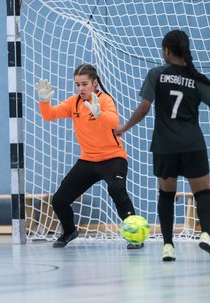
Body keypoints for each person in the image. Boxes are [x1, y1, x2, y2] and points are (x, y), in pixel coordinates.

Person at [114, 30, 210, 261]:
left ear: (166, 51)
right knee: (204, 192)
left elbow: (144, 108)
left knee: (166, 194)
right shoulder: (196, 78)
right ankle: (206, 233)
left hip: (165, 146)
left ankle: (168, 245)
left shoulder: (157, 74)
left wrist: (124, 128)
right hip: (192, 144)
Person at [35, 64, 141, 249]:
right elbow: (49, 116)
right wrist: (44, 101)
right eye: (77, 84)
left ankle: (135, 236)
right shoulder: (74, 103)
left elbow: (114, 122)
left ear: (95, 83)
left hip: (113, 158)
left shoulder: (105, 100)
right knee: (59, 200)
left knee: (116, 189)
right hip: (88, 160)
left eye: (84, 84)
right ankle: (69, 232)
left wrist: (99, 115)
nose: (81, 88)